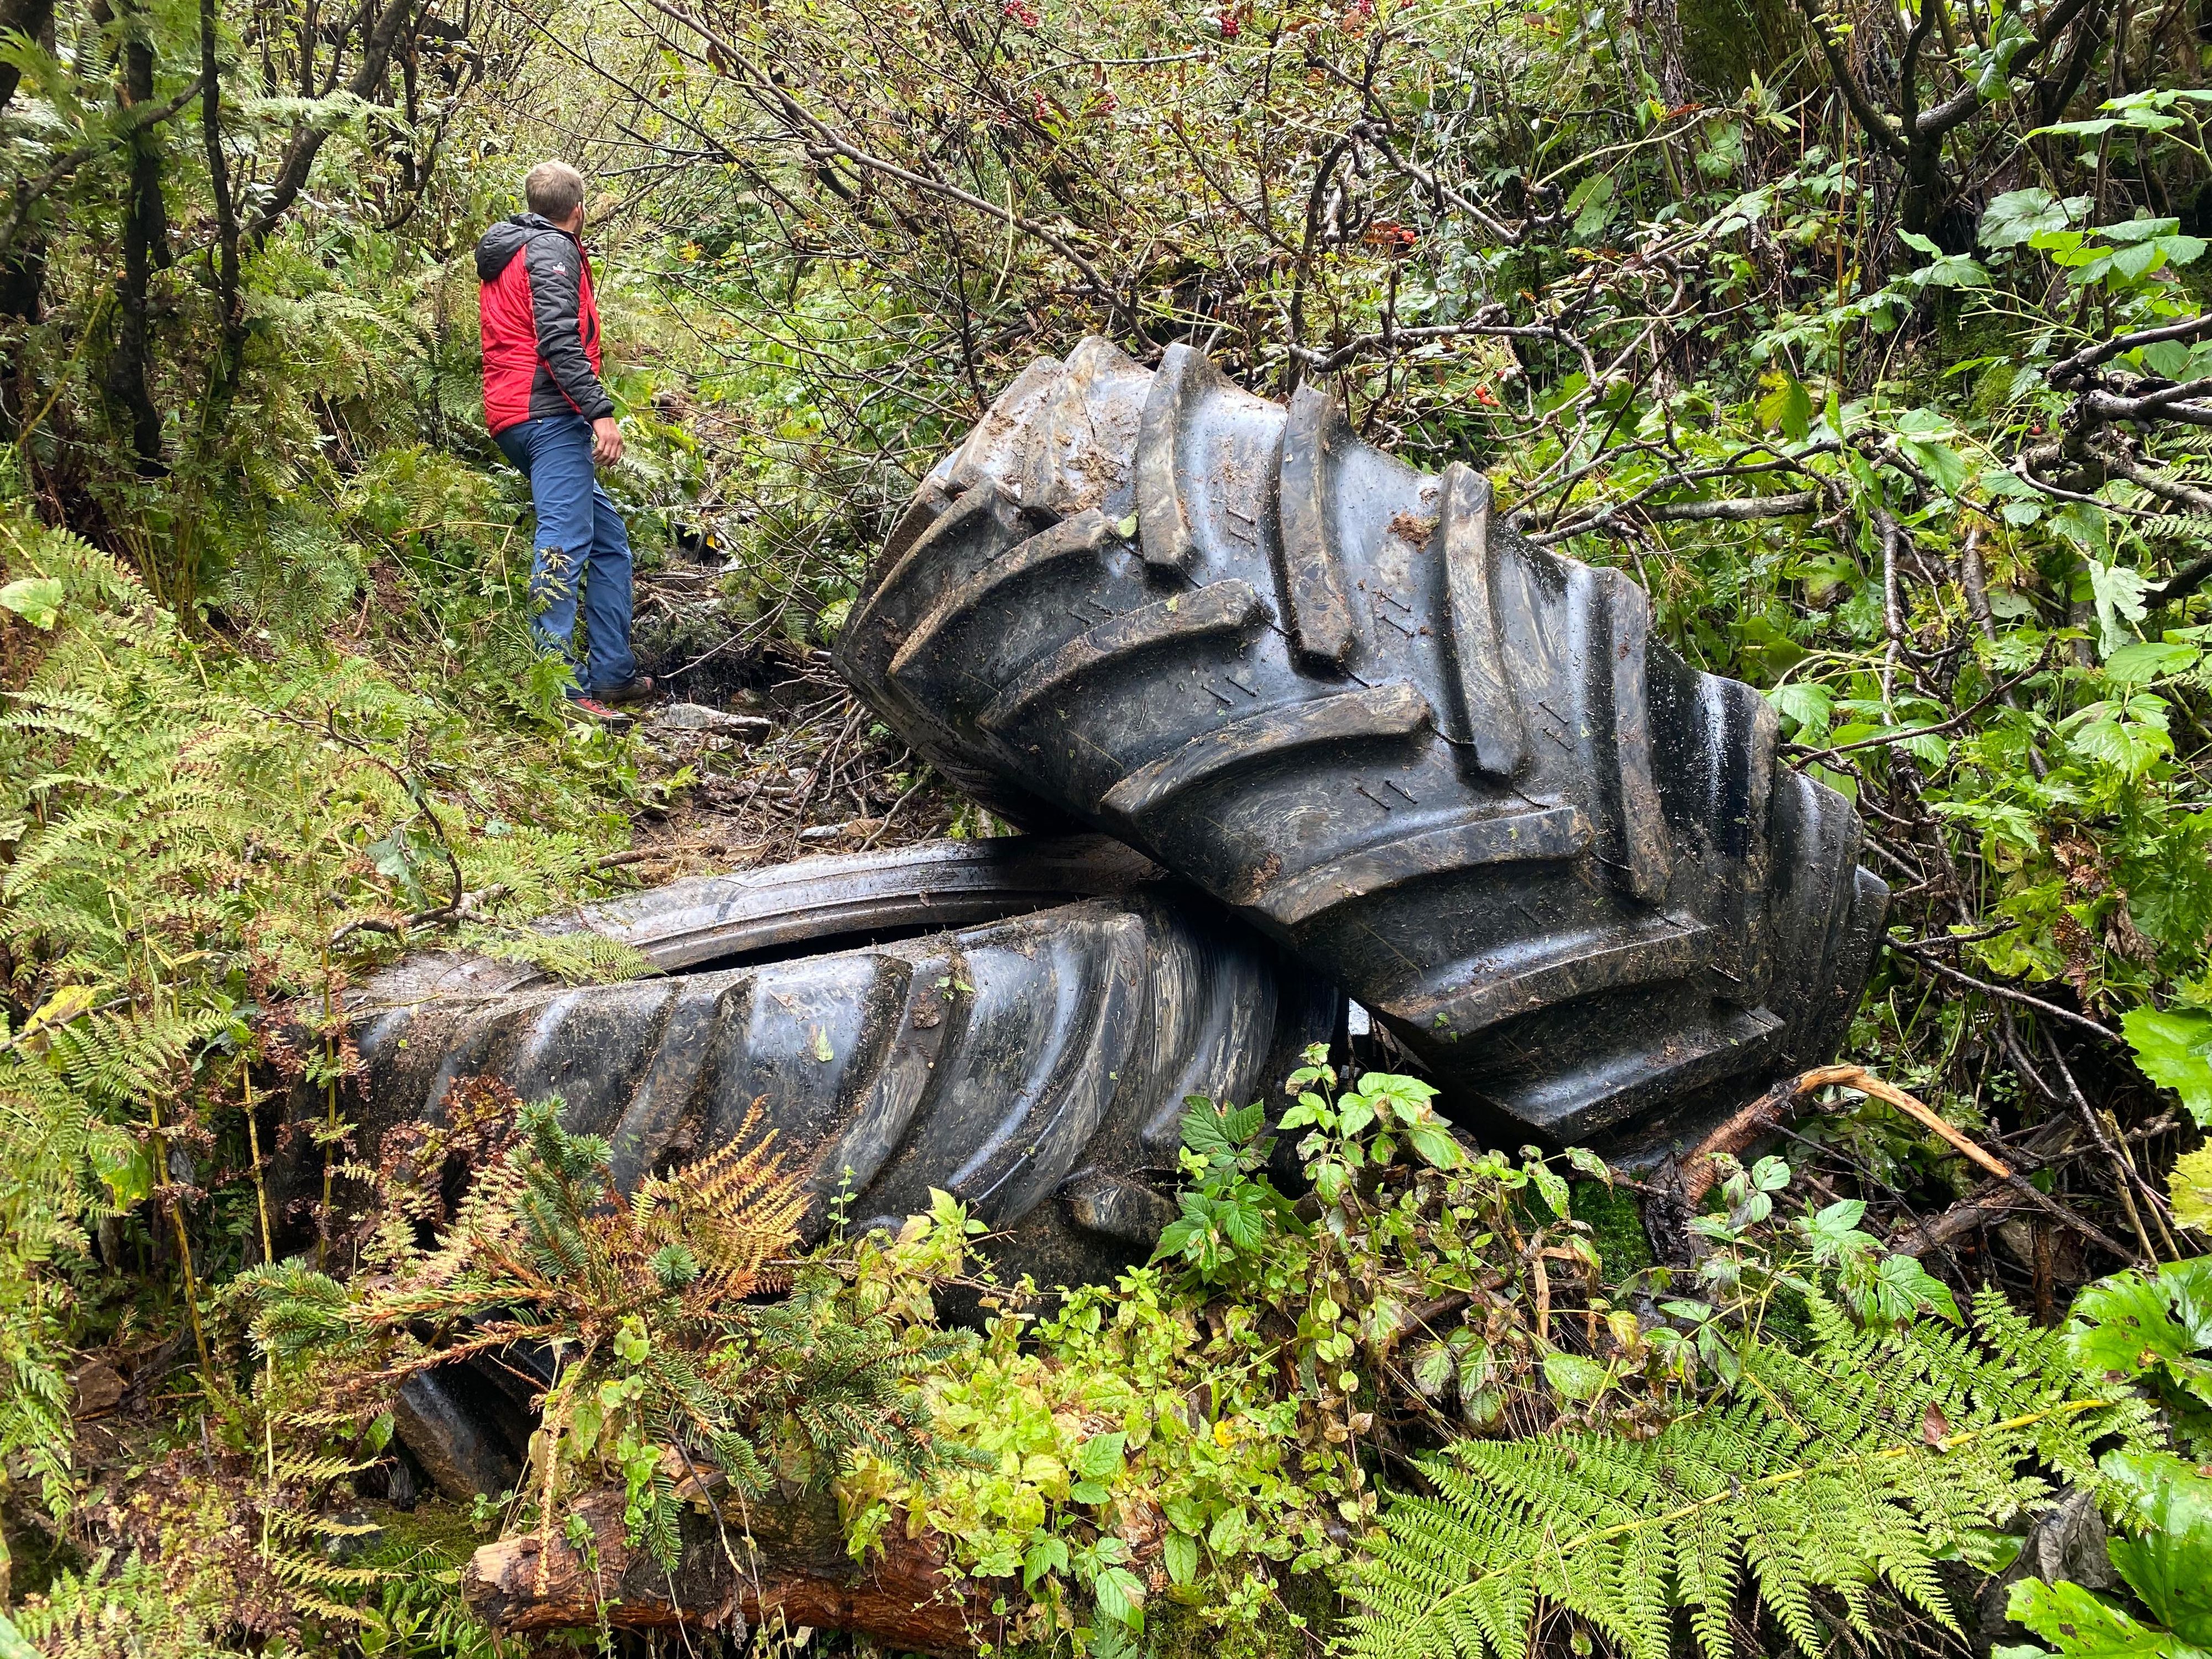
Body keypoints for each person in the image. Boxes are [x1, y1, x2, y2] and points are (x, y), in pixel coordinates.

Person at [476, 160, 653, 714]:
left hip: (516, 415)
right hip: (548, 417)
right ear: (578, 211)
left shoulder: (508, 251)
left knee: (607, 542)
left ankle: (612, 673)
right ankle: (560, 686)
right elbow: (558, 342)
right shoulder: (551, 251)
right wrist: (600, 413)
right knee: (562, 544)